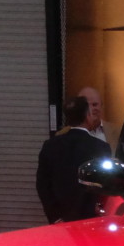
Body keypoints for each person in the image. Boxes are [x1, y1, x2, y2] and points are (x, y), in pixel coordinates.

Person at [35, 95, 111, 223]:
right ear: (87, 116)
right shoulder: (100, 147)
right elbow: (106, 186)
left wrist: (55, 217)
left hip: (60, 219)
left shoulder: (50, 146)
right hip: (91, 219)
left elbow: (42, 185)